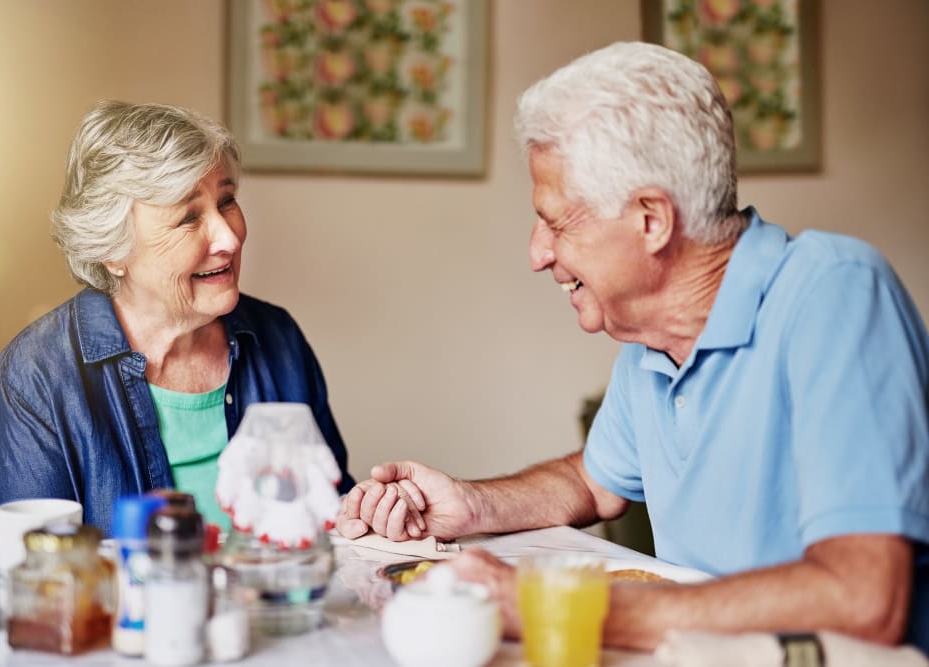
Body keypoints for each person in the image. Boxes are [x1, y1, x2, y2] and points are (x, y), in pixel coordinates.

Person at [337, 41, 929, 653]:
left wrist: (561, 608)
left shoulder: (834, 293)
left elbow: (864, 598)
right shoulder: (651, 340)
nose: (538, 253)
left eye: (557, 222)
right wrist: (469, 504)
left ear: (652, 220)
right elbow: (594, 484)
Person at [0, 101, 355, 535]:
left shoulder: (278, 338)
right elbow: (43, 577)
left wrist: (370, 511)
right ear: (112, 251)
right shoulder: (34, 377)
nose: (230, 238)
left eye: (227, 200)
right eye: (188, 216)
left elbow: (329, 516)